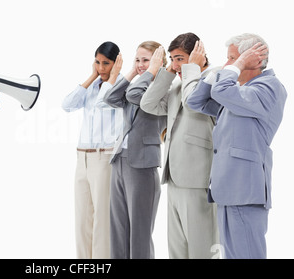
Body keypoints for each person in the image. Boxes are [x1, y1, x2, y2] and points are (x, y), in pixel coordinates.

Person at [186, 33, 287, 259]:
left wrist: (237, 66)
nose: (227, 64)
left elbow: (223, 91)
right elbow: (196, 102)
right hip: (228, 189)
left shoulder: (268, 87)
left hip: (245, 189)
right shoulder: (238, 91)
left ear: (255, 59)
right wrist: (215, 73)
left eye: (233, 58)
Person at [140, 33, 220, 259]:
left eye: (180, 59)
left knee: (202, 248)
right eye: (172, 59)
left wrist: (191, 70)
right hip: (173, 177)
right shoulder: (176, 86)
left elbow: (193, 103)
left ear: (198, 56)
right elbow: (148, 104)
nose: (175, 65)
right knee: (177, 251)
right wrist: (166, 73)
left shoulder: (214, 77)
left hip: (198, 179)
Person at [103, 41, 167, 259]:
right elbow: (110, 98)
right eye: (137, 59)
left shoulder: (162, 87)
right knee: (118, 229)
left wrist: (150, 72)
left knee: (140, 232)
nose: (141, 64)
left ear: (158, 62)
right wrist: (132, 72)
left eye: (146, 60)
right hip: (120, 159)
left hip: (142, 164)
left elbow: (133, 97)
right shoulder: (138, 83)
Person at [62, 41, 123, 259]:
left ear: (117, 64)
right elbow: (67, 105)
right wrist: (91, 78)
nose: (101, 68)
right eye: (97, 62)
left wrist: (113, 77)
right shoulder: (93, 87)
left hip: (104, 158)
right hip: (82, 158)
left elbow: (103, 104)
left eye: (106, 63)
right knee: (82, 220)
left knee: (101, 222)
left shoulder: (120, 86)